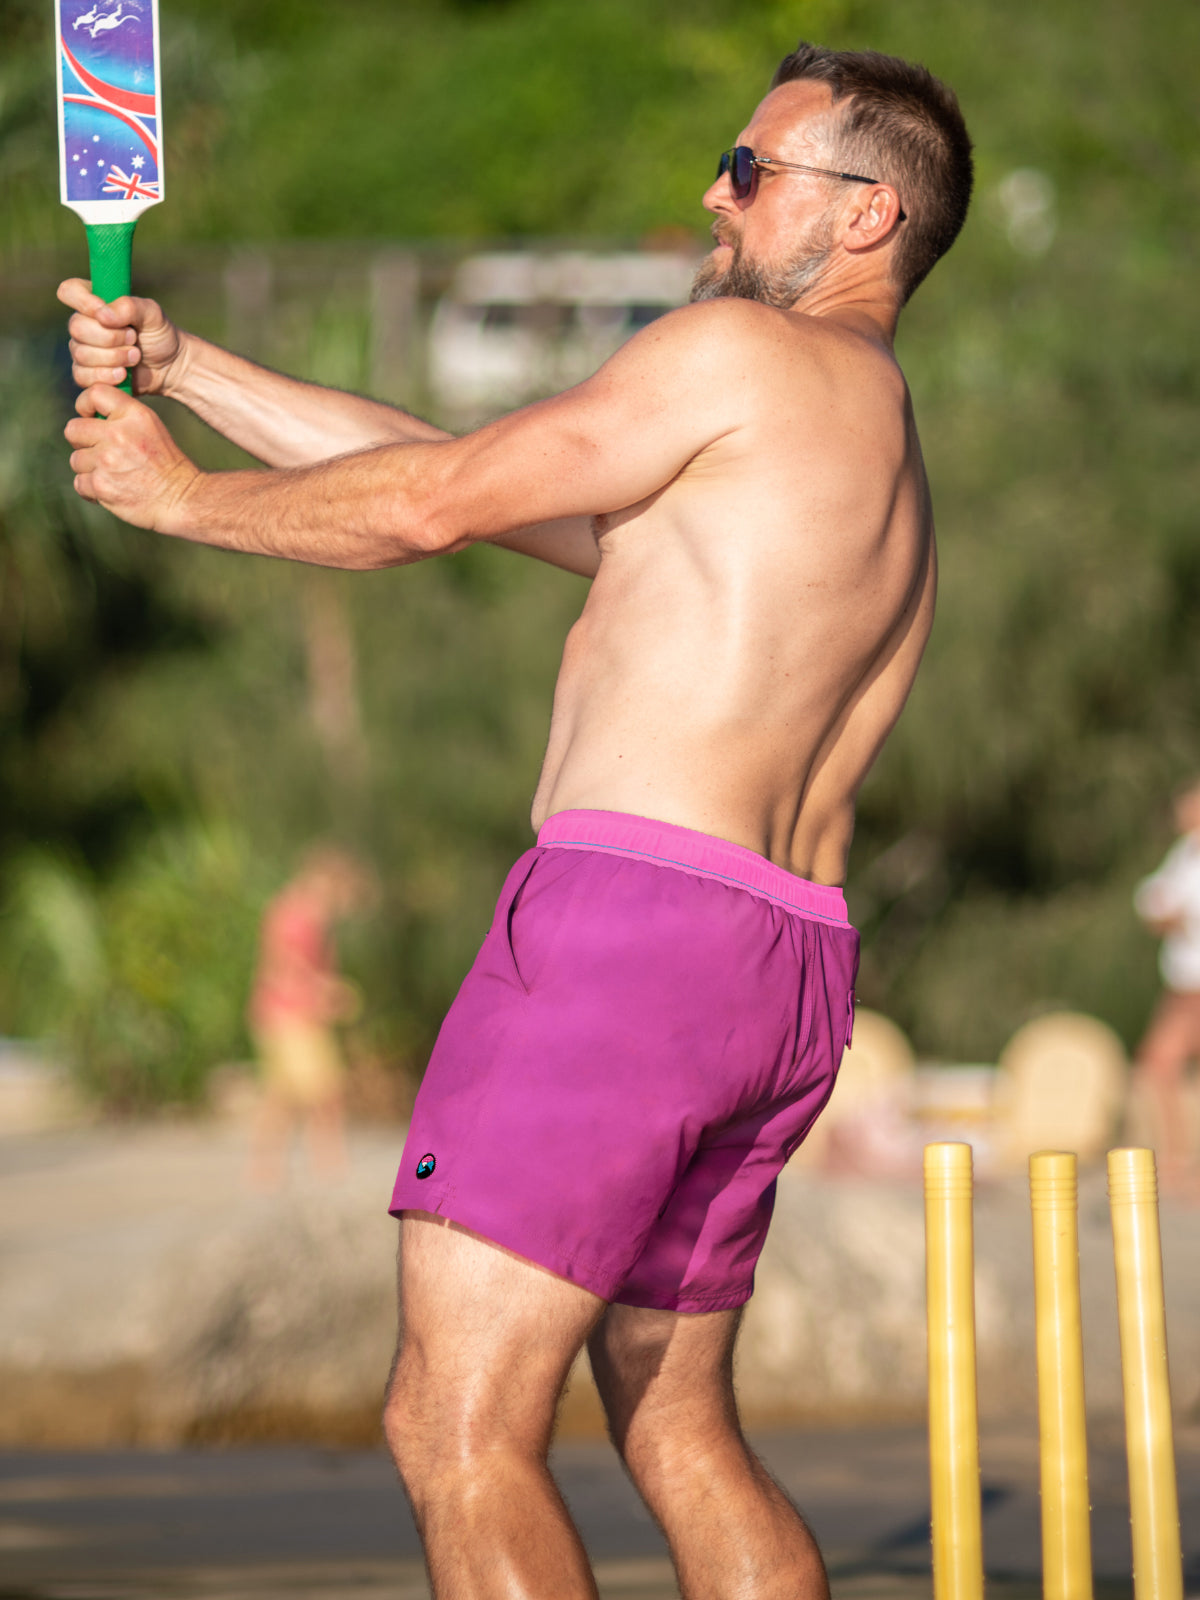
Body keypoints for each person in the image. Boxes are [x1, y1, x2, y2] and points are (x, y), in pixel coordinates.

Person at [59, 40, 972, 1600]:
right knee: (677, 1426)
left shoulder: (732, 358)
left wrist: (179, 501)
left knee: (455, 1423)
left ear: (869, 213)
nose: (714, 191)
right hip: (790, 959)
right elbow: (462, 472)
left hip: (636, 934)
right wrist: (192, 370)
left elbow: (428, 510)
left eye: (750, 171)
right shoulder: (867, 445)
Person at [246, 843, 373, 1189]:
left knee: (290, 1094)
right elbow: (284, 969)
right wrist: (325, 992)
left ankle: (278, 1169)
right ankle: (326, 1167)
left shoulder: (302, 914)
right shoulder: (296, 914)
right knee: (317, 1093)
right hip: (288, 1015)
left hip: (292, 1015)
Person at [1133, 780, 1200, 1195]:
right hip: (1184, 981)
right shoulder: (1185, 854)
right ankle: (1177, 1156)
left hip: (1194, 983)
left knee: (1160, 1062)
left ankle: (1179, 1160)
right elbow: (1152, 901)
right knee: (1160, 1066)